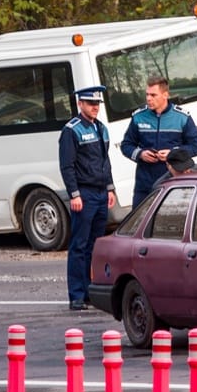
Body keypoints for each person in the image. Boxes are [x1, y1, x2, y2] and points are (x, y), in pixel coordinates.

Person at [59, 86, 116, 310]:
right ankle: (76, 295)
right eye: (90, 103)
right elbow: (67, 166)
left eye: (97, 104)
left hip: (101, 193)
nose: (95, 107)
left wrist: (110, 188)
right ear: (80, 104)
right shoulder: (71, 131)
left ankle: (91, 290)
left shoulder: (101, 128)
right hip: (84, 193)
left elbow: (105, 161)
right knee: (79, 246)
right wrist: (74, 194)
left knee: (94, 246)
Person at [120, 75, 197, 207]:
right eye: (147, 94)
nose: (148, 98)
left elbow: (196, 146)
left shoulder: (181, 117)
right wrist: (141, 154)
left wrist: (173, 153)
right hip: (144, 185)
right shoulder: (138, 117)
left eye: (153, 95)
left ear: (165, 95)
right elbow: (126, 145)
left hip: (173, 183)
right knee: (139, 224)